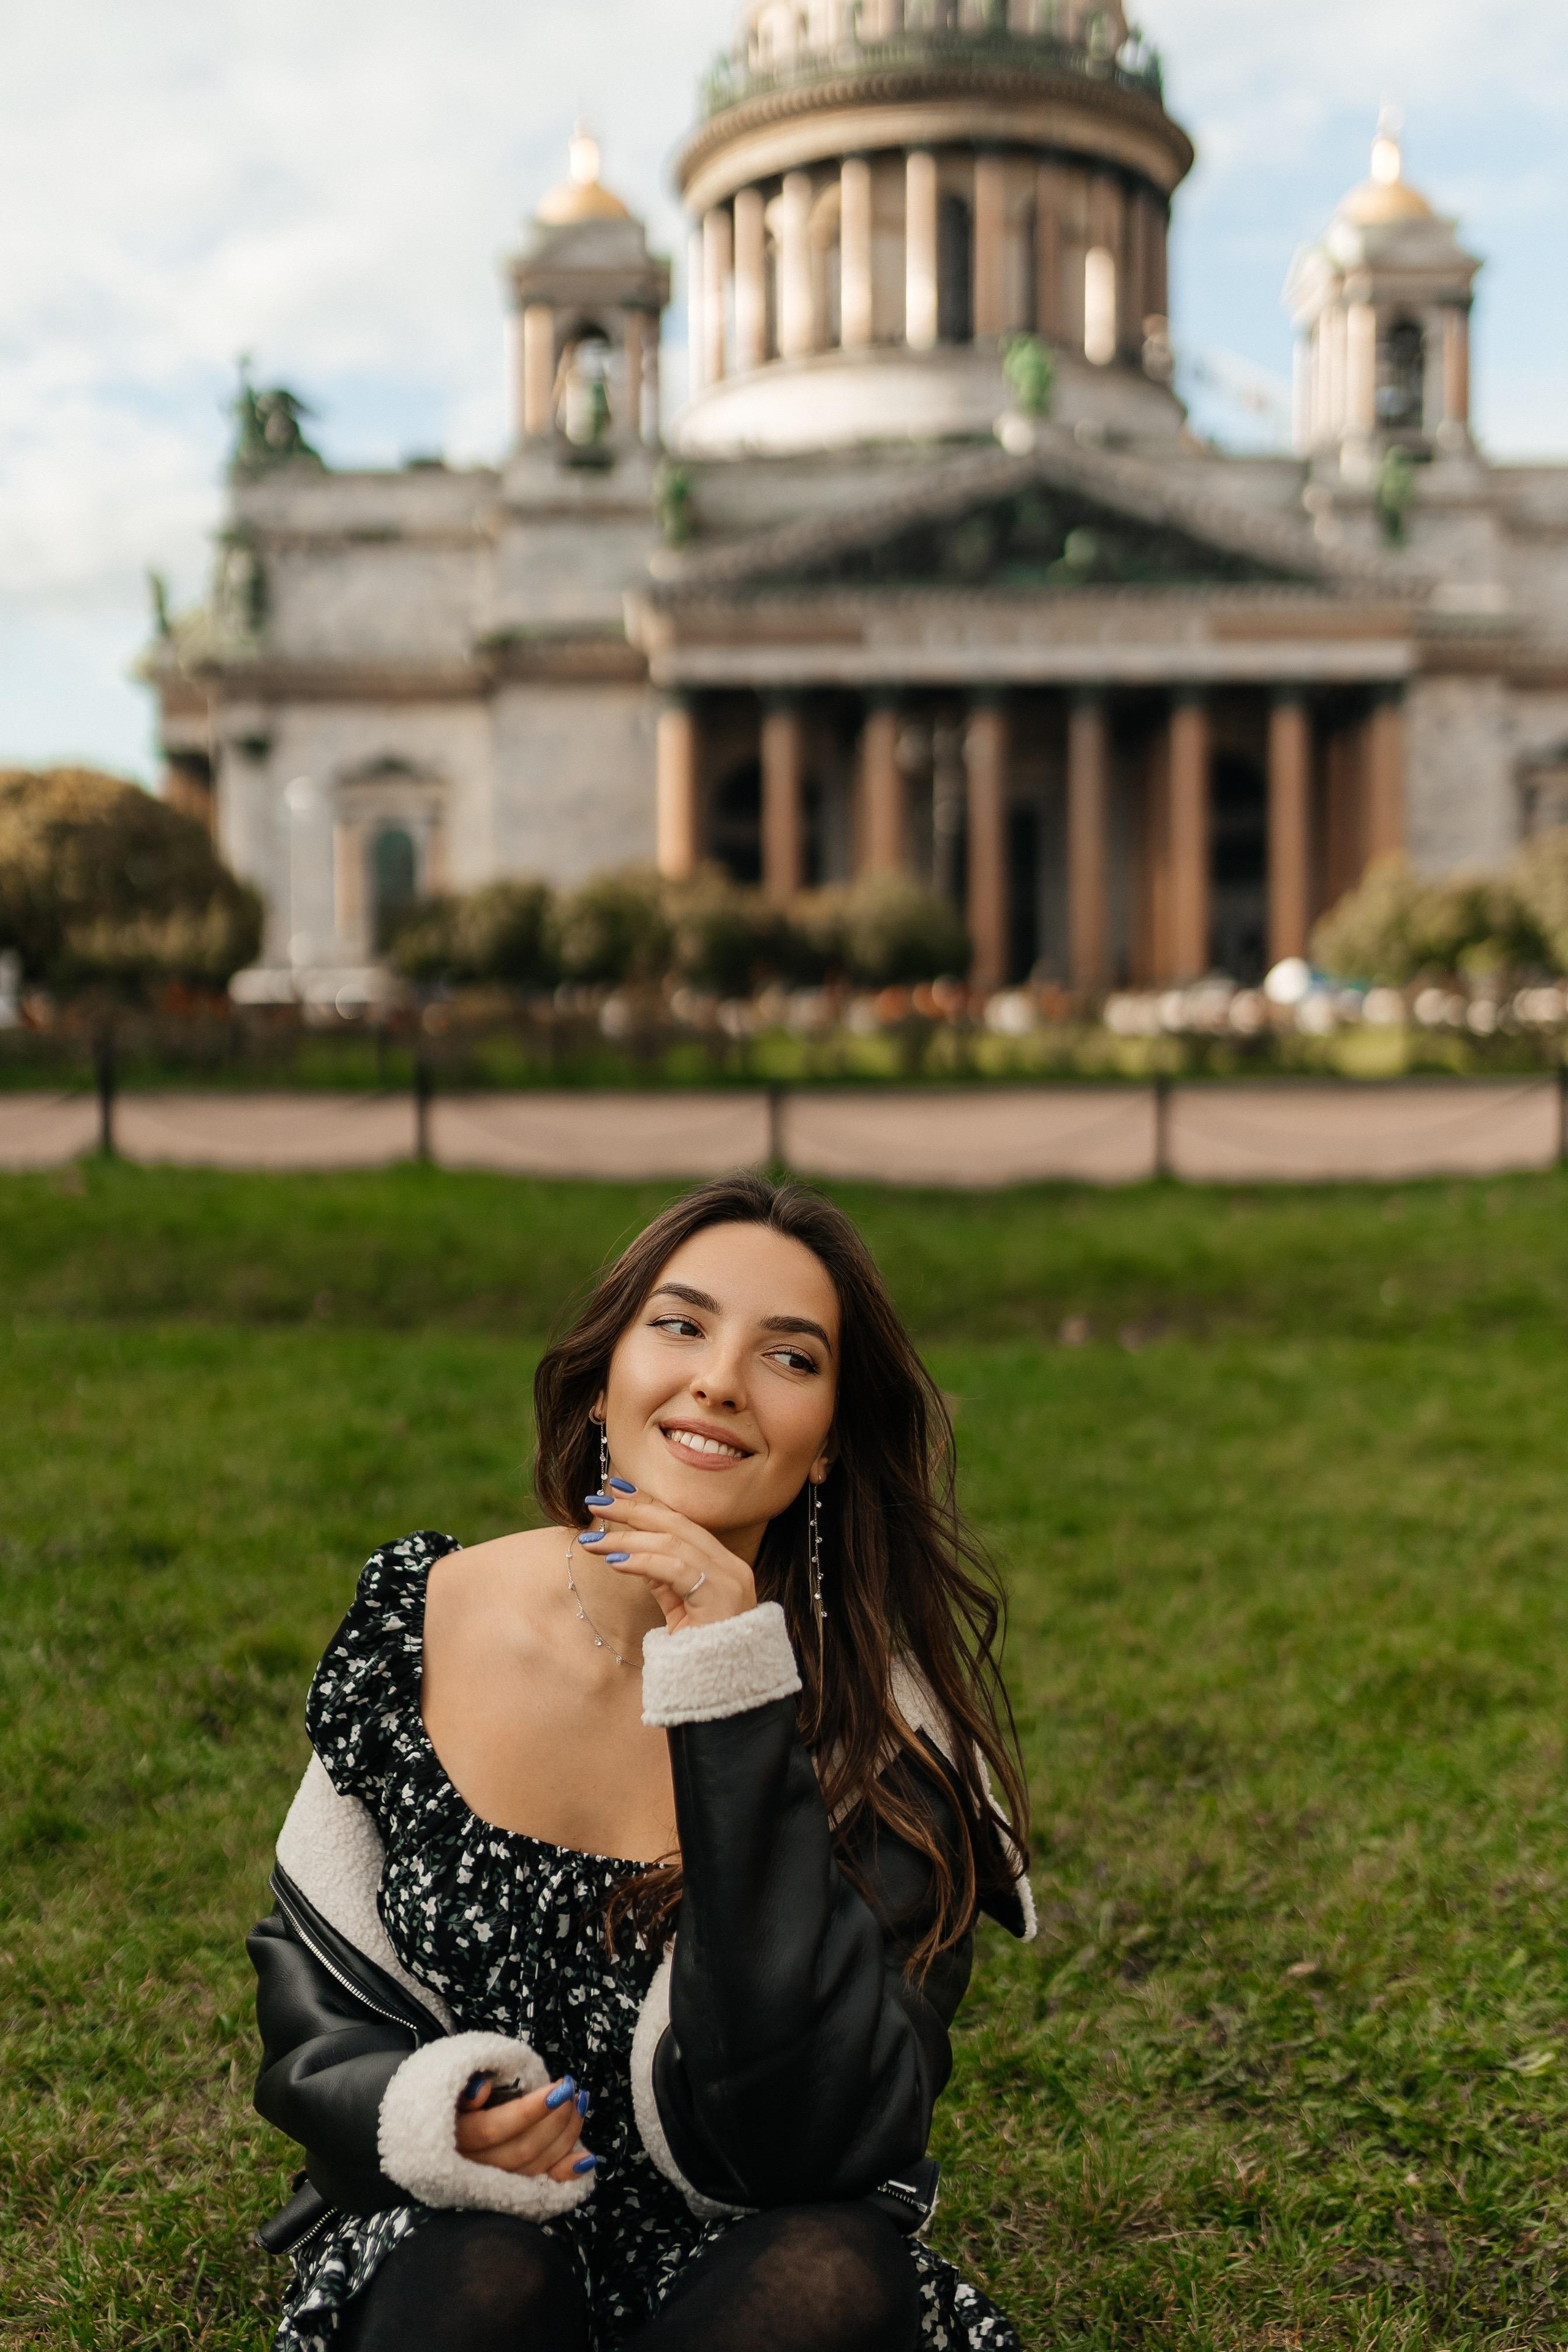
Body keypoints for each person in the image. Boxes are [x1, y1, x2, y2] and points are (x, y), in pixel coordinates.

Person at [248, 1174, 1033, 2352]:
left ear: (828, 1443)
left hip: (746, 2246)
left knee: (838, 2272)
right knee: (482, 2275)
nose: (720, 1380)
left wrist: (728, 1685)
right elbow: (312, 2015)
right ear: (602, 1377)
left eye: (791, 1357)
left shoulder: (892, 1746)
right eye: (680, 1325)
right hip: (463, 2225)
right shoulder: (428, 1619)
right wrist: (433, 2119)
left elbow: (812, 2139)